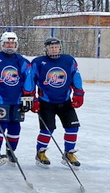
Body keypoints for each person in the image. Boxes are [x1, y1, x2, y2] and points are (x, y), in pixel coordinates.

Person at [0, 31, 34, 168]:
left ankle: (11, 152)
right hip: (0, 99)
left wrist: (28, 95)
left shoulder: (22, 61)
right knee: (0, 125)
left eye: (12, 43)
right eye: (7, 43)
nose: (10, 45)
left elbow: (28, 79)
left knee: (15, 127)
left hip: (17, 100)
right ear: (2, 44)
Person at [29, 37, 85, 168]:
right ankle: (40, 153)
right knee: (47, 130)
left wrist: (79, 93)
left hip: (65, 102)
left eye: (56, 47)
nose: (54, 49)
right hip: (46, 103)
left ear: (60, 47)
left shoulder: (69, 60)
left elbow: (76, 77)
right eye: (51, 47)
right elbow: (30, 81)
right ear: (46, 49)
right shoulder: (38, 62)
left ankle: (68, 153)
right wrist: (33, 98)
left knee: (72, 128)